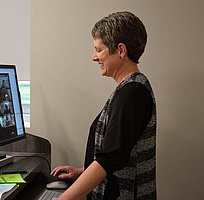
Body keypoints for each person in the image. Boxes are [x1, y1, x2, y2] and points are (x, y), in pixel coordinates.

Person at [51, 11, 157, 200]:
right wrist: (81, 171)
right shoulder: (129, 88)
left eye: (99, 50)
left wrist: (62, 199)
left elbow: (110, 159)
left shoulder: (132, 93)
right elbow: (121, 150)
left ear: (121, 51)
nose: (94, 57)